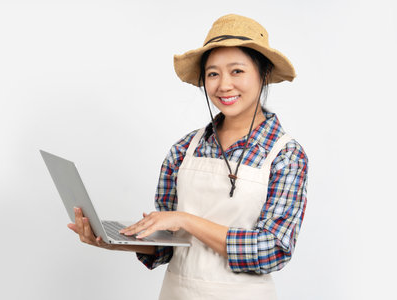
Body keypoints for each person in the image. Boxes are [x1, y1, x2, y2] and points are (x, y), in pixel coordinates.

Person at [67, 14, 308, 300]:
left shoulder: (286, 155)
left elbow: (271, 251)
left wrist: (186, 220)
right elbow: (170, 244)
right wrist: (114, 242)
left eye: (237, 71)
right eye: (213, 73)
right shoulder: (184, 148)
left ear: (263, 74)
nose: (224, 85)